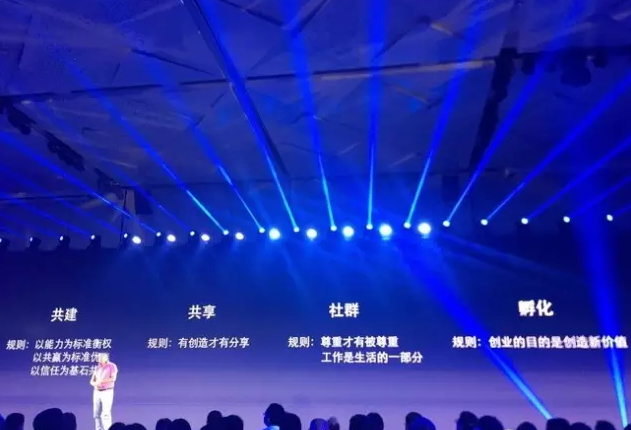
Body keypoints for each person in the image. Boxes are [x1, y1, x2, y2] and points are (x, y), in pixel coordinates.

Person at [90, 352, 118, 430]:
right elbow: (92, 381)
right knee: (96, 414)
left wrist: (101, 381)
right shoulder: (97, 368)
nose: (98, 360)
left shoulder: (112, 366)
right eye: (98, 359)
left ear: (105, 359)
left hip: (107, 391)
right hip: (96, 392)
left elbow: (113, 378)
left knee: (106, 414)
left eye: (100, 359)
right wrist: (95, 384)